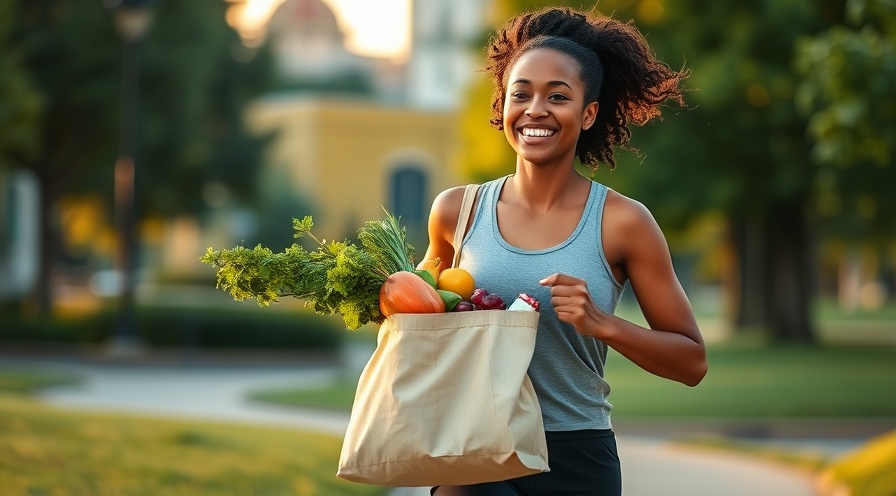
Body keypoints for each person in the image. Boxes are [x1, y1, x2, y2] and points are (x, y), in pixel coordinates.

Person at [421, 6, 708, 496]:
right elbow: (419, 317)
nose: (536, 110)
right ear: (504, 105)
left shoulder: (623, 222)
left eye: (558, 96)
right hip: (474, 448)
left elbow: (691, 362)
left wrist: (602, 323)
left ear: (588, 112)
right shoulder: (455, 212)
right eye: (522, 94)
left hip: (576, 456)